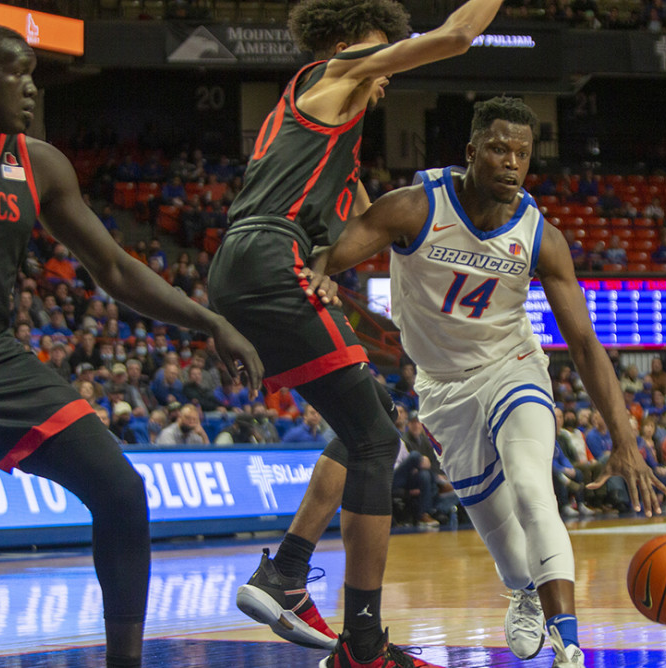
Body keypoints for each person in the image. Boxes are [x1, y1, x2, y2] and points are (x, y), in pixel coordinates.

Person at [0, 23, 269, 668]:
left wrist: (208, 320)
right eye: (16, 75)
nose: (29, 89)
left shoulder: (39, 164)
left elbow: (112, 267)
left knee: (121, 492)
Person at [307, 96, 666, 668]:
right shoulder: (414, 208)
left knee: (532, 487)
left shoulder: (540, 237)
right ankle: (524, 591)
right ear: (472, 152)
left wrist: (625, 439)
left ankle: (569, 641)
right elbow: (332, 254)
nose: (511, 163)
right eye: (499, 149)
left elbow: (585, 346)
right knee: (501, 535)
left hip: (512, 366)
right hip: (443, 387)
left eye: (522, 153)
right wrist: (323, 275)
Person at [205, 1, 510, 666]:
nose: (386, 71)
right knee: (378, 440)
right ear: (347, 42)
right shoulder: (335, 72)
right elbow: (456, 35)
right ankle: (363, 646)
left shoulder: (325, 141)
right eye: (382, 51)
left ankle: (285, 572)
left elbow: (374, 227)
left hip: (247, 264)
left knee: (369, 419)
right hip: (264, 257)